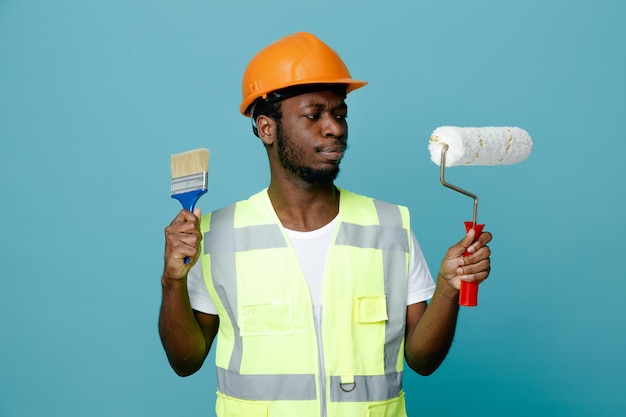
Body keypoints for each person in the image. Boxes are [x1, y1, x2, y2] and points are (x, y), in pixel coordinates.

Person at [159, 32, 492, 417]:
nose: (334, 127)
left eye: (340, 113)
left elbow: (422, 360)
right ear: (267, 128)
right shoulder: (216, 236)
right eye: (314, 115)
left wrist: (451, 288)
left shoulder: (390, 226)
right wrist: (172, 282)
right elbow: (185, 361)